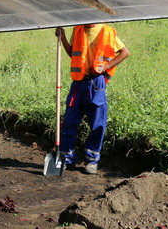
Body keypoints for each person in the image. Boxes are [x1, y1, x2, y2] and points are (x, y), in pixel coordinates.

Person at [54, 23, 130, 174]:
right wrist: (62, 38)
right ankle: (67, 159)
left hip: (97, 83)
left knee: (97, 124)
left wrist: (107, 66)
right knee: (69, 121)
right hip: (78, 82)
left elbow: (124, 52)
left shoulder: (107, 32)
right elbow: (73, 53)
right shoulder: (78, 29)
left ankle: (92, 161)